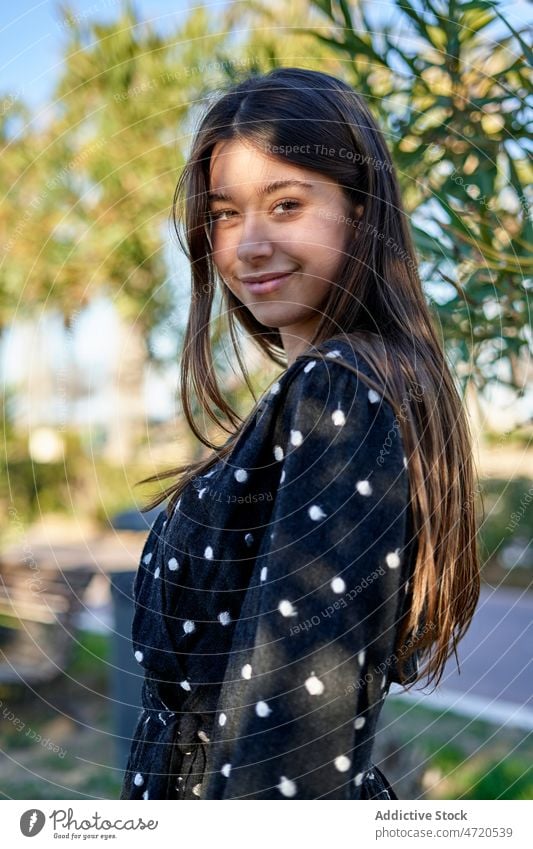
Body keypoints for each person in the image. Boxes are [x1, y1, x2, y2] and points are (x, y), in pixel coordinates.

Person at [119, 67, 479, 800]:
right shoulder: (345, 387)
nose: (248, 243)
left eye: (286, 204)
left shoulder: (339, 392)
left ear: (360, 212)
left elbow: (295, 718)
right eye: (224, 214)